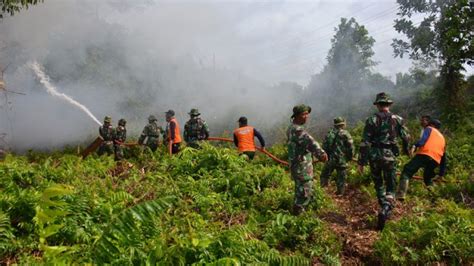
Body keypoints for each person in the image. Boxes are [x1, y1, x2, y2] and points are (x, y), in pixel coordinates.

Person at [357, 92, 410, 230]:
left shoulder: (371, 120)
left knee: (378, 182)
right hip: (390, 155)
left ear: (378, 105)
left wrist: (361, 162)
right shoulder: (398, 119)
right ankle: (386, 208)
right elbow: (406, 137)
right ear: (389, 104)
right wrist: (406, 150)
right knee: (391, 185)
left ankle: (382, 206)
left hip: (374, 155)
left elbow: (365, 142)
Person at [287, 104, 328, 215]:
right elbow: (310, 142)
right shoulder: (297, 130)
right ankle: (299, 218)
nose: (306, 116)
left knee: (300, 190)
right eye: (304, 114)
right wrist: (321, 154)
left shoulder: (291, 128)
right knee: (304, 191)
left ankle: (298, 213)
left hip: (297, 166)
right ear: (296, 116)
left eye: (307, 114)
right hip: (302, 167)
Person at [398, 118, 446, 199]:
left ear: (432, 125)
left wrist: (415, 145)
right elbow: (444, 158)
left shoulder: (429, 129)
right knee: (428, 178)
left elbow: (423, 140)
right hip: (436, 159)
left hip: (425, 153)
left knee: (407, 171)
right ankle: (435, 197)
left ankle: (400, 195)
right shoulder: (442, 138)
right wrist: (441, 174)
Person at [320, 117, 354, 195]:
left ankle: (324, 192)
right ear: (343, 124)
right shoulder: (345, 133)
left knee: (325, 175)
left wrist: (326, 156)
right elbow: (351, 147)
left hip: (330, 159)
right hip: (341, 159)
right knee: (341, 178)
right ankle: (340, 193)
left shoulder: (330, 133)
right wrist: (349, 157)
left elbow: (324, 146)